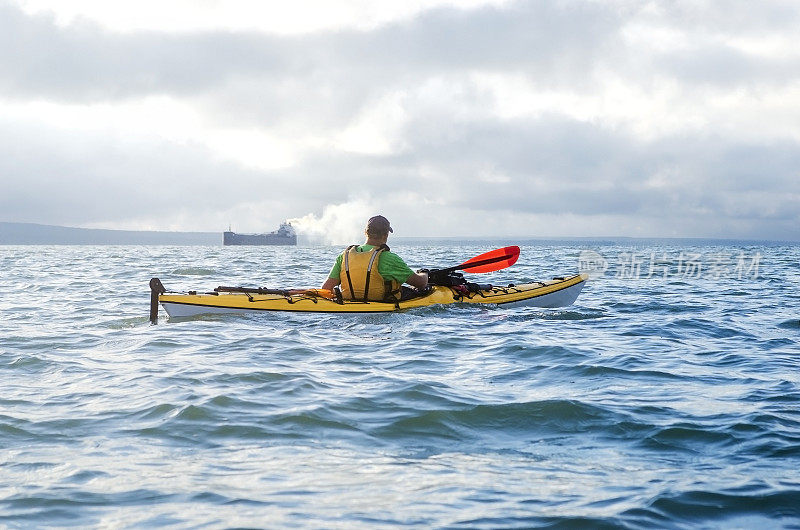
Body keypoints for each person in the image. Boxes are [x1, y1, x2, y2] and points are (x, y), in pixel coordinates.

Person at [321, 215, 428, 301]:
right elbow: (420, 283)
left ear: (365, 233)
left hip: (349, 305)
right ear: (385, 235)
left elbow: (326, 288)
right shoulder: (389, 258)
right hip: (382, 306)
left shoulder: (344, 256)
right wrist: (424, 273)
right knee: (424, 290)